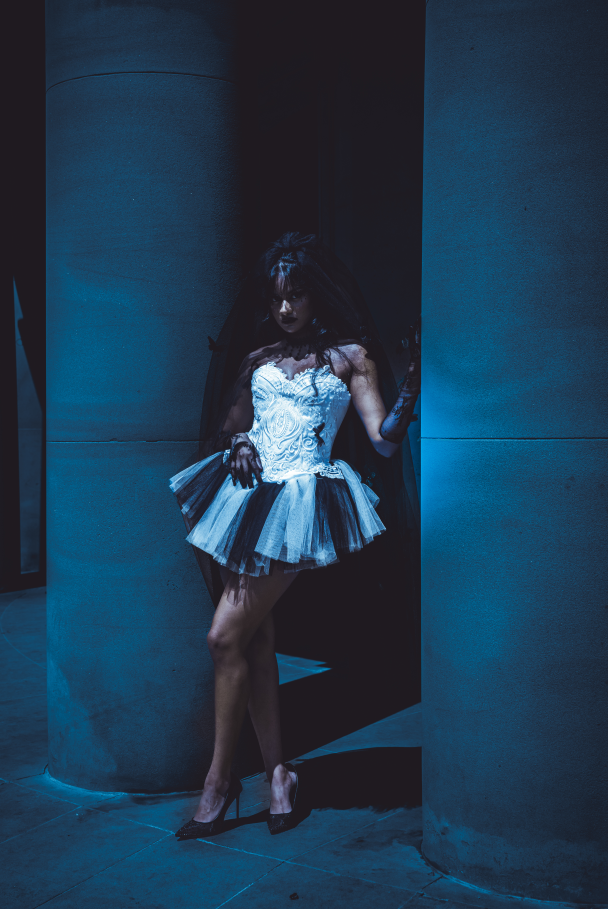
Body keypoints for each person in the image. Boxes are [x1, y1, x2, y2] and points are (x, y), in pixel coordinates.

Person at [170, 233, 420, 838]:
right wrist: (241, 443)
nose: (286, 310)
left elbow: (381, 439)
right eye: (278, 298)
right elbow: (233, 427)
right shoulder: (258, 360)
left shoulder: (350, 356)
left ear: (317, 295)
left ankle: (220, 783)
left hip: (306, 499)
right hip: (250, 498)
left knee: (221, 638)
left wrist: (409, 392)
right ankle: (279, 777)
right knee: (251, 642)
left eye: (297, 296)